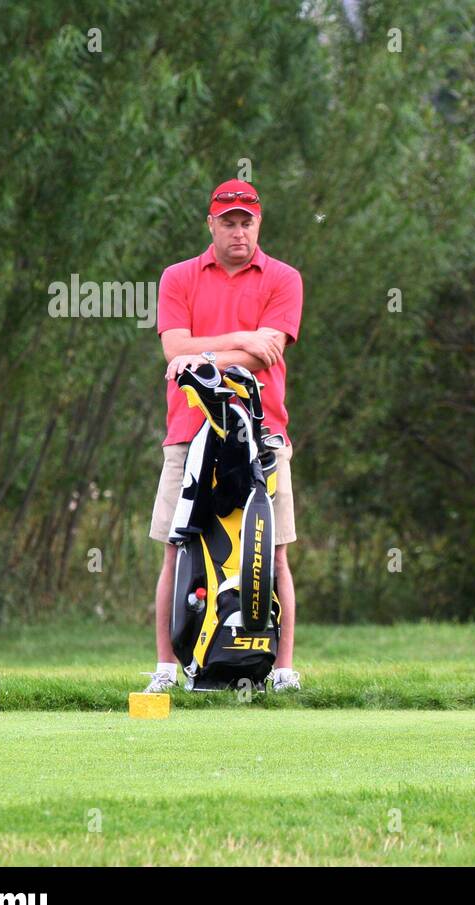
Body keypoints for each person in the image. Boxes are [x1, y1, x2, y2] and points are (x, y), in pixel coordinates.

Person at [142, 179, 304, 693]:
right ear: (210, 224)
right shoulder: (178, 277)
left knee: (273, 551)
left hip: (263, 432)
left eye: (246, 221)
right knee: (176, 545)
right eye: (228, 222)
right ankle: (168, 666)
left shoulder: (283, 278)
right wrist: (238, 337)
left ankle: (282, 671)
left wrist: (201, 354)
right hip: (189, 432)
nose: (238, 231)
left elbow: (267, 353)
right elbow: (174, 352)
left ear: (259, 223)